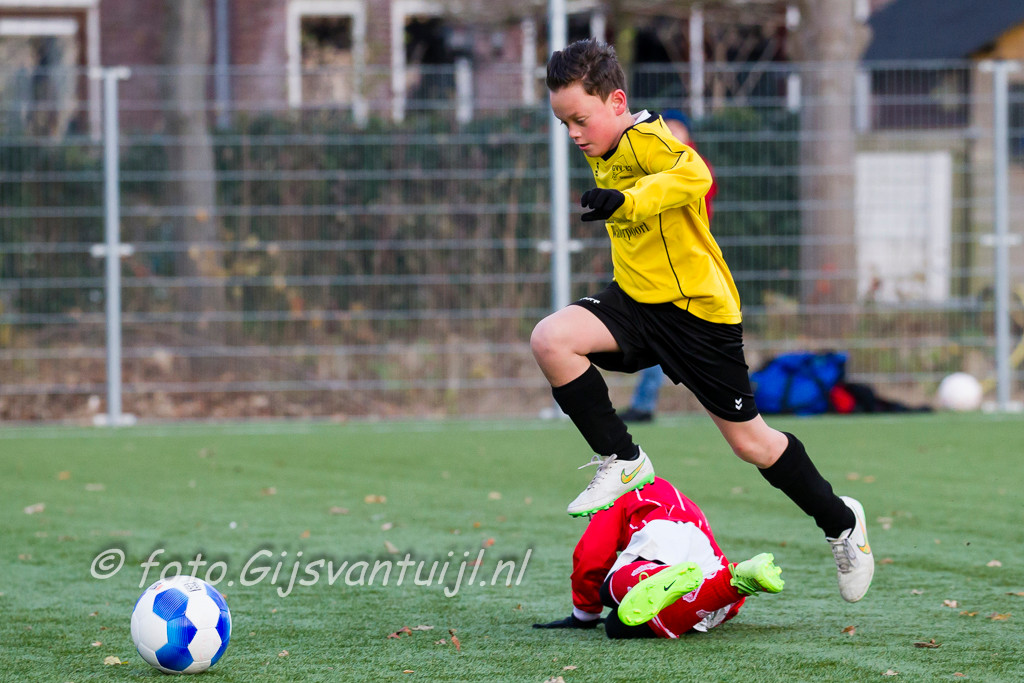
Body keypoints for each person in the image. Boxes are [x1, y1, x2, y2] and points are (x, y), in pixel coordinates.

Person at [529, 38, 873, 602]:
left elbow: (694, 174)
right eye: (563, 122)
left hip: (696, 315)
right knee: (551, 339)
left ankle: (841, 521)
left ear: (617, 102)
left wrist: (628, 202)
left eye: (580, 120)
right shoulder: (603, 142)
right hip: (637, 303)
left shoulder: (649, 139)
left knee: (752, 445)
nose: (573, 134)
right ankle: (623, 458)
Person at [532, 477, 784, 638]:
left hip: (662, 535)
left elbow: (591, 556)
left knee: (608, 593)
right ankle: (734, 583)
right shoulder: (670, 493)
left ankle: (656, 574)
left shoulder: (617, 490)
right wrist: (731, 604)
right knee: (616, 625)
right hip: (710, 562)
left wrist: (584, 615)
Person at [618, 109, 714, 424]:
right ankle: (644, 403)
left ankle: (734, 393)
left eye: (677, 129)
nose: (671, 134)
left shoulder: (694, 167)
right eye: (666, 129)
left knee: (694, 337)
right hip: (657, 265)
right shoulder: (650, 163)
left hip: (686, 266)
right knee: (658, 333)